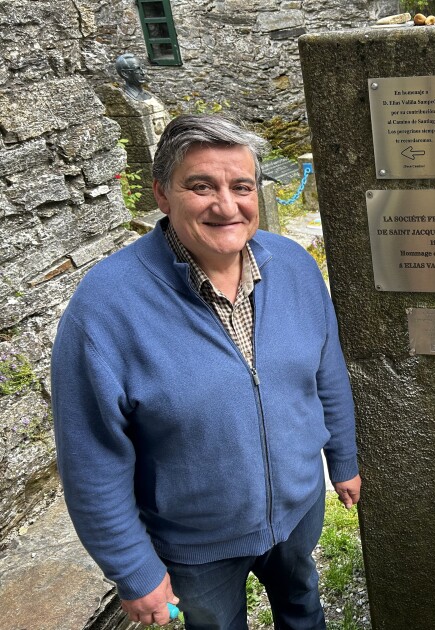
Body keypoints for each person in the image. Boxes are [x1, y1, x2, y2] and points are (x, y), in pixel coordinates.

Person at [51, 114, 361, 629]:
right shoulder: (104, 308)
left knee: (303, 607)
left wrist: (343, 458)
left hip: (299, 509)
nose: (226, 205)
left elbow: (326, 371)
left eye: (242, 186)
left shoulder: (294, 265)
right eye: (201, 186)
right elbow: (91, 459)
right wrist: (133, 569)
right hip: (195, 543)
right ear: (162, 194)